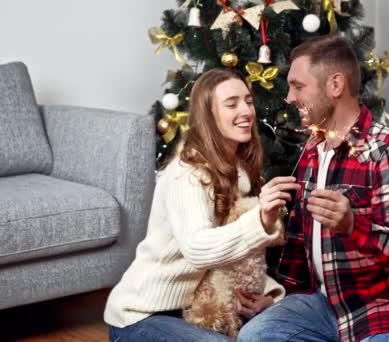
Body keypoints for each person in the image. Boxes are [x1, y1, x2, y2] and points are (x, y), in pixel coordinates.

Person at [238, 35, 389, 342]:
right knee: (254, 336)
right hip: (326, 303)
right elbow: (300, 244)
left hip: (387, 310)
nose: (289, 98)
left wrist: (353, 226)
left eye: (298, 86)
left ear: (335, 85)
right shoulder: (312, 150)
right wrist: (282, 301)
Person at [104, 68, 299, 342]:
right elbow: (197, 248)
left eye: (248, 101)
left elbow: (238, 259)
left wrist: (270, 296)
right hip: (142, 316)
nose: (246, 111)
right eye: (231, 104)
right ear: (208, 115)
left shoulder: (240, 173)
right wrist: (261, 220)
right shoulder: (187, 174)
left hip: (191, 312)